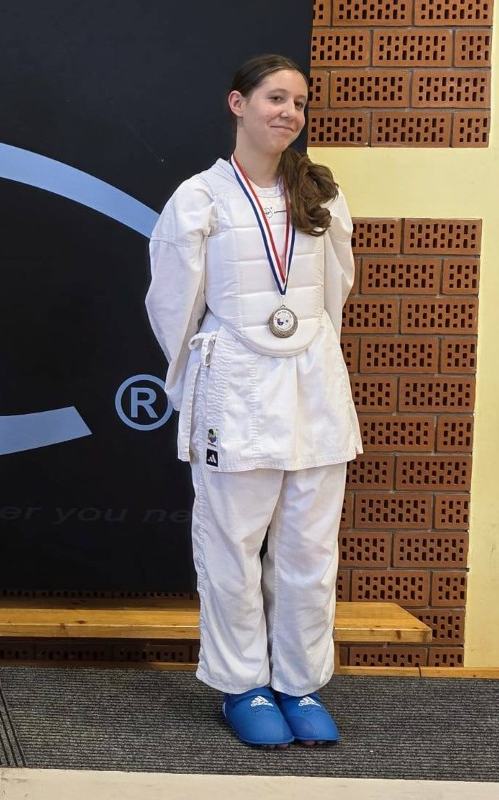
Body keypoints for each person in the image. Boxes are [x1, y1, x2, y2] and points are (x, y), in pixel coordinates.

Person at [145, 54, 359, 747]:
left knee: (310, 548)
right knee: (232, 545)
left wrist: (311, 351)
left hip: (314, 386)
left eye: (299, 103)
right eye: (275, 98)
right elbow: (172, 305)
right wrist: (198, 383)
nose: (289, 112)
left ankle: (300, 682)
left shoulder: (322, 196)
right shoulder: (199, 198)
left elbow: (335, 292)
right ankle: (244, 685)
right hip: (235, 385)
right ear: (238, 103)